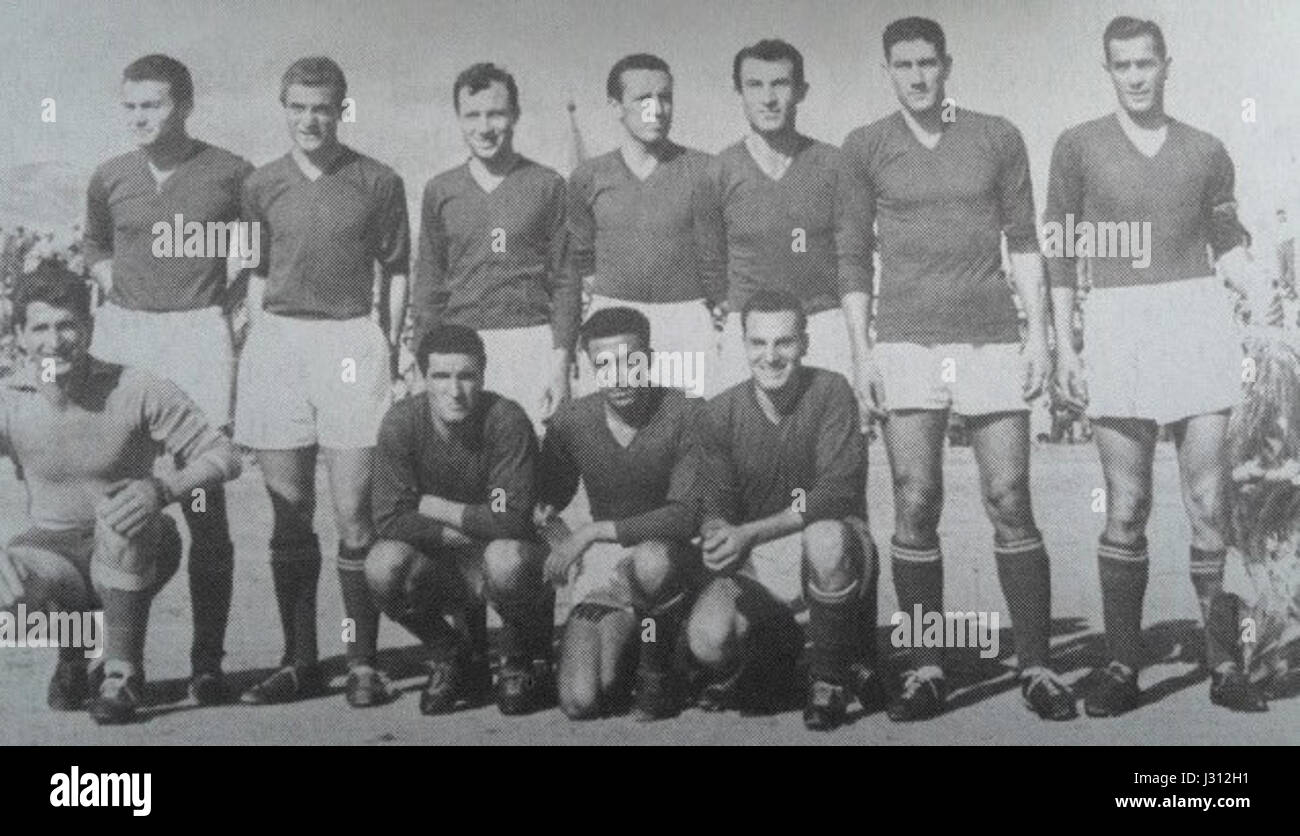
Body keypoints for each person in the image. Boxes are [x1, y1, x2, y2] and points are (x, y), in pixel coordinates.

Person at [838, 17, 1071, 721]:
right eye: (902, 65)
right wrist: (862, 354)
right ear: (888, 70)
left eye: (927, 64)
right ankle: (926, 663)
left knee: (1008, 496)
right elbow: (852, 255)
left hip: (991, 338)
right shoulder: (865, 146)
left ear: (947, 65)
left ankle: (1038, 665)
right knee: (915, 497)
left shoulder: (996, 135)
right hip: (907, 340)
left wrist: (1041, 339)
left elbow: (1025, 241)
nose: (916, 76)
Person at [1045, 16, 1265, 714]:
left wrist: (1264, 303)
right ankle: (1120, 663)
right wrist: (1065, 345)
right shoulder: (1077, 147)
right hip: (1116, 320)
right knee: (1128, 505)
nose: (1136, 76)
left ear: (1167, 64)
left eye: (1147, 63)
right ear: (1106, 69)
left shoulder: (1206, 149)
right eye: (1122, 65)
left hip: (1195, 316)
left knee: (1208, 502)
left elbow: (1226, 242)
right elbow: (1058, 253)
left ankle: (1225, 660)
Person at [237, 56, 410, 707]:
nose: (310, 120)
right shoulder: (259, 185)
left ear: (342, 109)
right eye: (298, 107)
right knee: (289, 517)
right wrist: (255, 349)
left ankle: (363, 661)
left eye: (323, 108)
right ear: (283, 108)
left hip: (350, 341)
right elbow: (254, 274)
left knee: (355, 516)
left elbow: (396, 272)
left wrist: (387, 348)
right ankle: (299, 660)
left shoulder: (378, 181)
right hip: (279, 340)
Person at [81, 54, 252, 704]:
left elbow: (262, 250)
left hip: (198, 335)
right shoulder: (109, 176)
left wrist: (232, 304)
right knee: (119, 497)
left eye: (151, 105)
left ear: (184, 104)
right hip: (127, 335)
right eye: (129, 106)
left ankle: (207, 661)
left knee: (204, 500)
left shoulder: (231, 172)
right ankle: (119, 662)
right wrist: (106, 280)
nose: (139, 118)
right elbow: (95, 244)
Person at [0, 262, 240, 724]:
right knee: (9, 583)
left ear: (89, 328)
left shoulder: (135, 387)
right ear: (21, 337)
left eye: (68, 325)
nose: (55, 342)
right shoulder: (11, 399)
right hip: (55, 554)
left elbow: (223, 454)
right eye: (41, 328)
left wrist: (162, 488)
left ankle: (122, 673)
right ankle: (74, 656)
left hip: (135, 540)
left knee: (119, 515)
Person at [687, 289, 878, 731]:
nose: (771, 357)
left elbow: (837, 490)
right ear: (744, 344)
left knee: (825, 536)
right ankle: (785, 660)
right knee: (707, 639)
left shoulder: (831, 390)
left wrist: (751, 533)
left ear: (804, 344)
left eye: (784, 343)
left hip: (831, 548)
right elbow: (715, 503)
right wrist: (718, 534)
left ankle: (830, 678)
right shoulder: (719, 412)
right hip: (756, 561)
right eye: (758, 343)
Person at [367, 325, 554, 716]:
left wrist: (434, 506)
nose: (455, 390)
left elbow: (512, 519)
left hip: (504, 554)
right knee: (383, 565)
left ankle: (516, 656)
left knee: (505, 557)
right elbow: (388, 518)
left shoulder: (505, 419)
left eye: (466, 376)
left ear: (483, 377)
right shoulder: (401, 424)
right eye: (441, 376)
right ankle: (448, 651)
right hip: (445, 556)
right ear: (421, 378)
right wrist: (469, 531)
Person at [537, 307, 703, 720]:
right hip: (611, 573)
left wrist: (592, 532)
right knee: (582, 699)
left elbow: (684, 515)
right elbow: (542, 501)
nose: (619, 376)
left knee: (651, 560)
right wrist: (556, 535)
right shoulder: (572, 421)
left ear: (650, 357)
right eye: (604, 365)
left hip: (673, 563)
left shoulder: (686, 412)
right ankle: (644, 644)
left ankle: (660, 669)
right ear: (589, 368)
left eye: (631, 361)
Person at [412, 62, 578, 431]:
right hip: (460, 349)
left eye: (496, 114)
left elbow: (566, 281)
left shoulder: (547, 185)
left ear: (515, 115)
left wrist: (560, 362)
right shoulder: (441, 190)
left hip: (529, 343)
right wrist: (423, 363)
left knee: (528, 470)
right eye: (472, 115)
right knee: (465, 473)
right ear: (458, 117)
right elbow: (428, 285)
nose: (484, 128)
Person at [566, 53, 725, 394]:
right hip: (613, 323)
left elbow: (714, 256)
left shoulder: (703, 170)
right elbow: (582, 258)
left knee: (693, 425)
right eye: (642, 99)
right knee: (614, 428)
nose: (656, 109)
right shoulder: (588, 177)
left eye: (664, 98)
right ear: (615, 106)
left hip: (685, 322)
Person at [713, 39, 861, 390]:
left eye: (780, 84)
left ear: (801, 91)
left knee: (833, 435)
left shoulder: (835, 164)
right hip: (748, 331)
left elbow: (853, 259)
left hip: (822, 325)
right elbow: (709, 259)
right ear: (739, 92)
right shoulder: (719, 169)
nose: (768, 98)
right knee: (743, 440)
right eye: (755, 85)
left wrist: (857, 346)